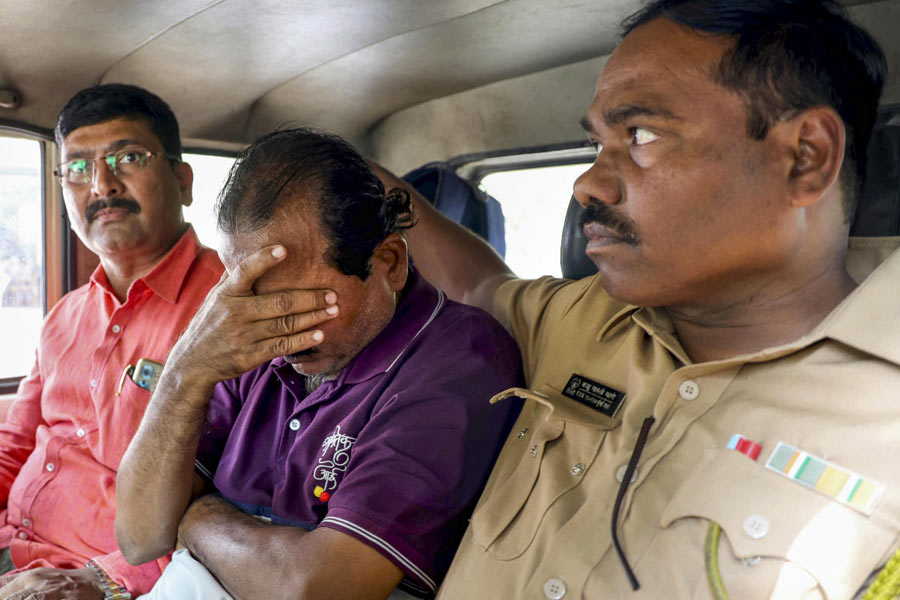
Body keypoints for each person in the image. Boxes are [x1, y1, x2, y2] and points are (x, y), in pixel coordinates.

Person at [371, 1, 900, 598]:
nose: (586, 184)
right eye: (596, 143)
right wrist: (346, 172)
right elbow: (476, 286)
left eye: (641, 135)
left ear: (806, 156)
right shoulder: (587, 317)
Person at [115, 128, 522, 600]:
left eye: (301, 303)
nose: (279, 335)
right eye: (253, 299)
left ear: (388, 262)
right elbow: (140, 536)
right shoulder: (244, 340)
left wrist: (202, 516)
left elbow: (315, 588)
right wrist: (186, 369)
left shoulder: (458, 360)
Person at [0, 84, 225, 599]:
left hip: (96, 580)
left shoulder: (227, 313)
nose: (101, 184)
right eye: (77, 168)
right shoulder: (64, 316)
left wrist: (103, 580)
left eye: (128, 157)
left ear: (183, 180)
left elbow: (229, 497)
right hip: (14, 554)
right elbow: (15, 448)